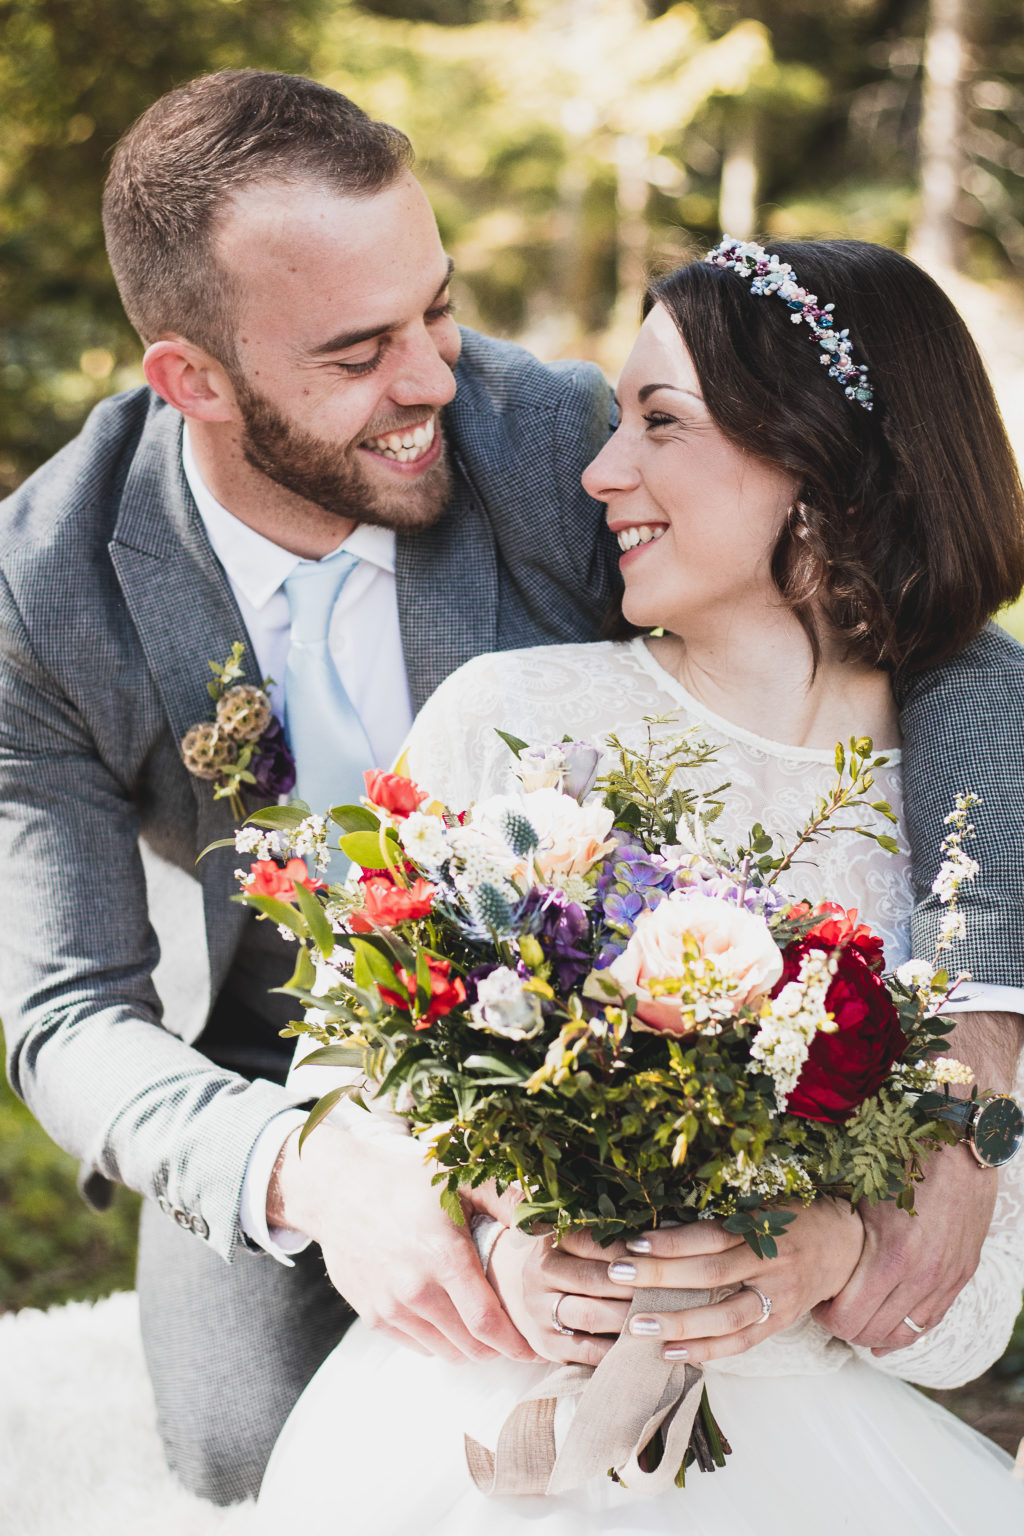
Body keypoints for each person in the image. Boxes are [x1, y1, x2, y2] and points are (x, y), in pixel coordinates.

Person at [0, 61, 1016, 1503]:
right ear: (194, 380)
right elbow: (64, 1014)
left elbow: (921, 617)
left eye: (440, 308)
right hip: (283, 1059)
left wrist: (971, 1057)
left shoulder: (548, 442)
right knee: (238, 1442)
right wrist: (324, 1169)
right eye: (358, 353)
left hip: (660, 1031)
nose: (431, 381)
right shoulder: (45, 593)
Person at [256, 237, 1024, 1532]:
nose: (601, 471)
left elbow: (979, 1300)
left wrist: (833, 1254)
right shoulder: (510, 717)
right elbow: (341, 1086)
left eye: (660, 421)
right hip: (485, 1390)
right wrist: (506, 1238)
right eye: (615, 420)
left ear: (817, 458)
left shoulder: (972, 824)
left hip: (804, 1432)